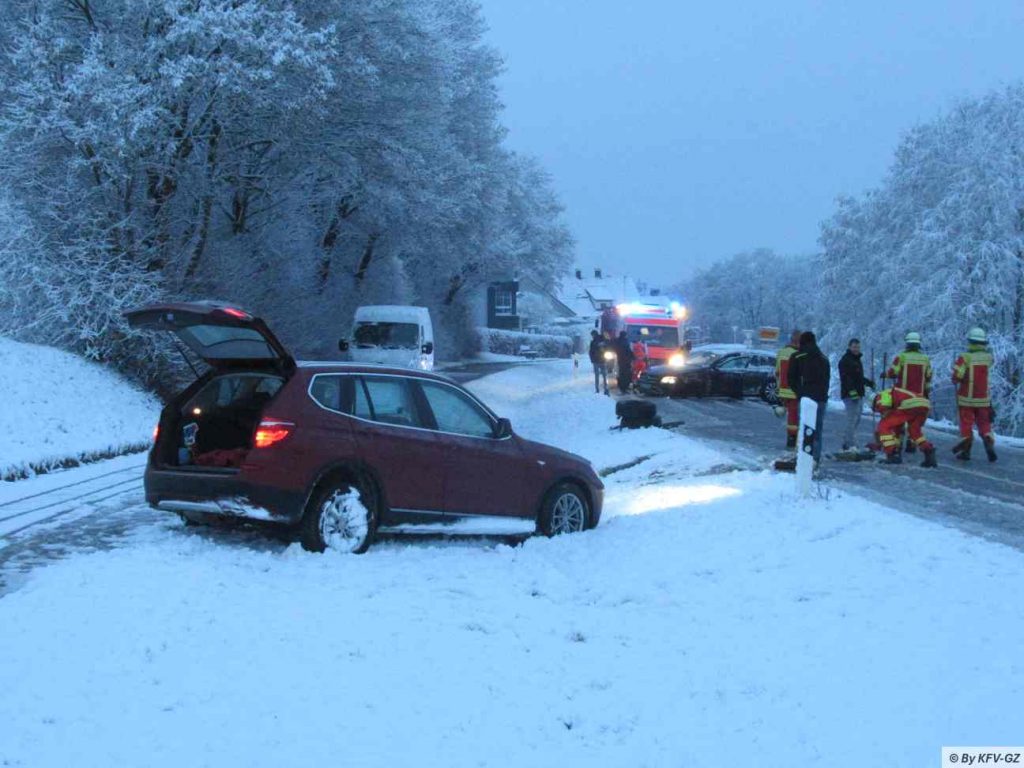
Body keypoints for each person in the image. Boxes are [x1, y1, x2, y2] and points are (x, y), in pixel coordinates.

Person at [951, 327, 997, 462]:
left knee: (966, 424)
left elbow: (957, 375)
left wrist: (956, 378)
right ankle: (988, 440)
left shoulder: (965, 357)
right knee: (984, 424)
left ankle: (966, 451)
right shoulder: (988, 357)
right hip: (983, 399)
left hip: (966, 399)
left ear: (970, 341)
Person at [885, 332, 933, 454]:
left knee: (898, 421)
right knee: (914, 423)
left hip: (902, 397)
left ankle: (897, 445)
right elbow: (928, 376)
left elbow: (893, 373)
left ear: (907, 344)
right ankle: (911, 444)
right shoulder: (925, 359)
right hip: (919, 397)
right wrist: (926, 393)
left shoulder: (901, 357)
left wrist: (885, 374)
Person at [788, 331, 830, 464]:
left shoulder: (797, 356)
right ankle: (815, 458)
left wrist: (799, 393)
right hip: (821, 398)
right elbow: (827, 379)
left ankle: (803, 457)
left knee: (805, 428)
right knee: (817, 429)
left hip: (806, 398)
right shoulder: (824, 358)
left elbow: (791, 378)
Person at [871, 387, 937, 467]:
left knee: (883, 425)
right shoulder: (895, 395)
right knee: (914, 432)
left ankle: (892, 454)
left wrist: (879, 437)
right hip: (924, 404)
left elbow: (883, 407)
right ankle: (929, 452)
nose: (878, 411)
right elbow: (897, 425)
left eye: (876, 409)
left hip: (910, 404)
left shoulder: (880, 396)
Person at [838, 338, 875, 450]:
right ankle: (850, 444)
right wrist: (852, 391)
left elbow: (858, 377)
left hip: (858, 394)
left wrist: (868, 382)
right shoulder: (845, 360)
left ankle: (847, 442)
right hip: (850, 395)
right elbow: (846, 378)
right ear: (849, 347)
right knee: (852, 419)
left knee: (857, 419)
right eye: (854, 347)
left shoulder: (856, 360)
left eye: (858, 347)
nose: (856, 349)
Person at [775, 330, 801, 449]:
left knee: (791, 416)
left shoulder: (782, 352)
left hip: (784, 389)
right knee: (795, 416)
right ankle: (794, 440)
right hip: (796, 390)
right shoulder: (800, 354)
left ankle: (791, 439)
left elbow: (777, 372)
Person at [588, 330, 609, 395]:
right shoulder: (603, 340)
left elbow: (591, 352)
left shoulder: (593, 342)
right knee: (604, 376)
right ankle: (606, 389)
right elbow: (608, 348)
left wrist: (592, 360)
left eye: (592, 335)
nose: (592, 336)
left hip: (596, 361)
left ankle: (597, 389)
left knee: (597, 376)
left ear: (593, 335)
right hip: (603, 360)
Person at [613, 330, 634, 395]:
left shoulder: (617, 341)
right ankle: (624, 388)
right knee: (626, 375)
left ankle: (622, 388)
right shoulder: (625, 341)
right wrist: (633, 356)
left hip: (620, 360)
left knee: (621, 374)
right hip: (626, 361)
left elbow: (615, 348)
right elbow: (628, 350)